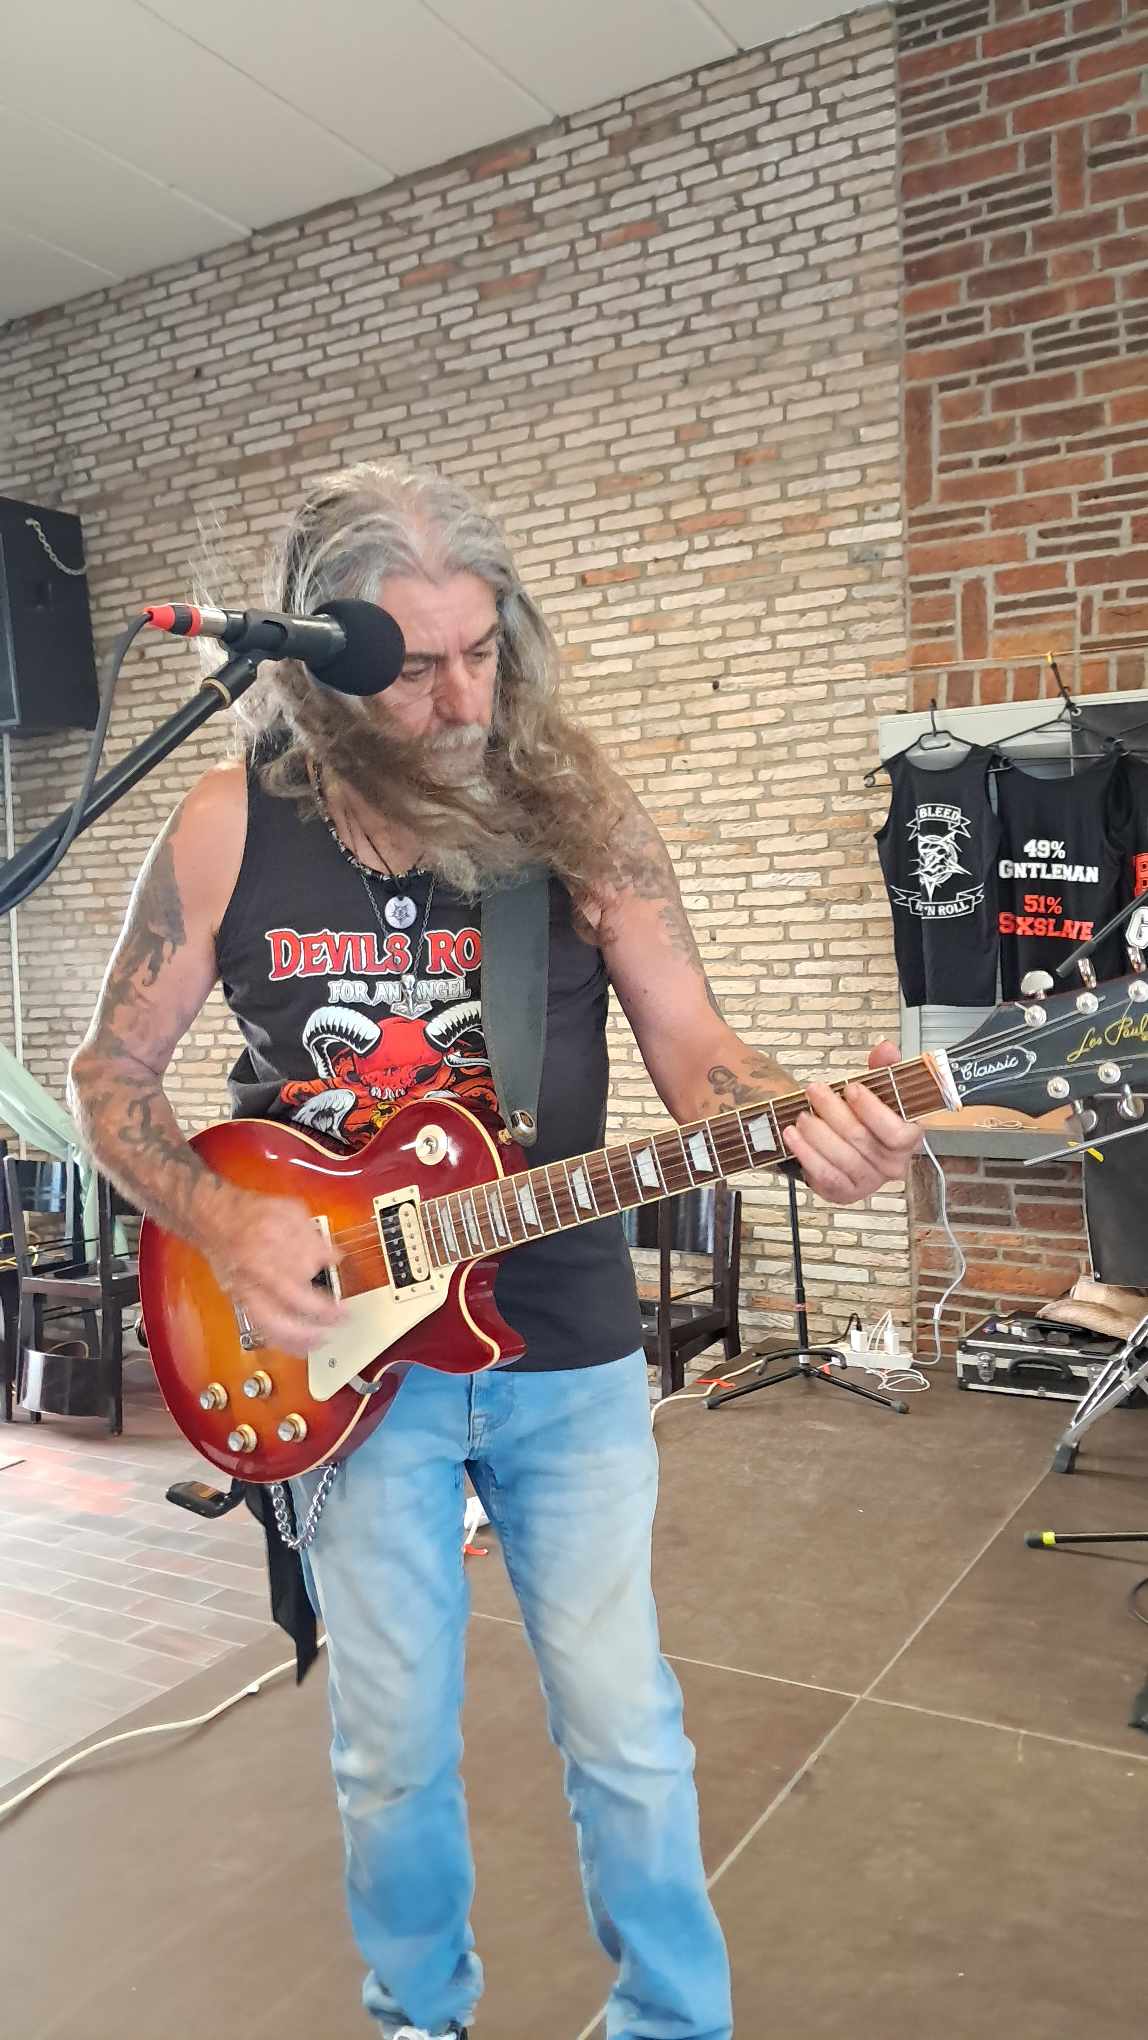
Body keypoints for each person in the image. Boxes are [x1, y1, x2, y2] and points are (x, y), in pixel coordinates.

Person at [69, 463, 921, 2040]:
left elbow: (695, 1049)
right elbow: (108, 1079)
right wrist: (223, 1220)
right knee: (390, 1746)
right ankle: (419, 2017)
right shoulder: (227, 824)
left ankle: (672, 2020)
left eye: (481, 652)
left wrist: (805, 1120)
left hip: (563, 1338)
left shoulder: (574, 813)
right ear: (318, 664)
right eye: (408, 668)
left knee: (625, 1727)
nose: (459, 699)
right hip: (337, 1364)